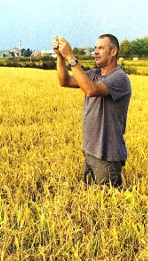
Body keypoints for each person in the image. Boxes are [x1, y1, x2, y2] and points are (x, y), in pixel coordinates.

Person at [53, 34, 131, 188]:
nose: (96, 51)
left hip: (107, 156)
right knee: (92, 201)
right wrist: (60, 57)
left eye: (101, 48)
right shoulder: (94, 74)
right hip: (90, 152)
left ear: (113, 52)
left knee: (107, 206)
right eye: (95, 48)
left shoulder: (119, 78)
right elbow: (65, 81)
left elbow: (91, 90)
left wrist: (70, 56)